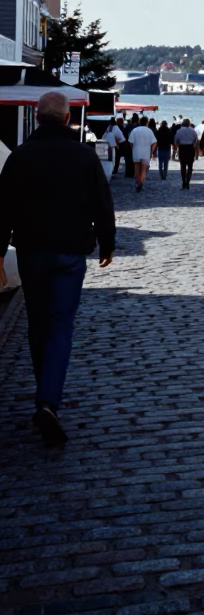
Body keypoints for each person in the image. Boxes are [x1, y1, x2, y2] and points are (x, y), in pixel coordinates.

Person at [0, 91, 115, 446]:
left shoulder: (20, 157)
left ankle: (44, 390)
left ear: (36, 117)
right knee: (61, 325)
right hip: (69, 253)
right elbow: (102, 202)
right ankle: (48, 400)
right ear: (68, 119)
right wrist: (107, 244)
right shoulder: (83, 156)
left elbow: (2, 209)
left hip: (32, 251)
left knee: (37, 323)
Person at [128, 116, 156, 192]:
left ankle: (137, 183)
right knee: (143, 170)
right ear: (147, 122)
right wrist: (151, 152)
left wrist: (133, 148)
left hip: (136, 152)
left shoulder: (135, 130)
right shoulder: (149, 131)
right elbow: (154, 142)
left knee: (137, 170)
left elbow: (130, 141)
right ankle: (140, 183)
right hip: (146, 153)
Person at [175, 118, 198, 189]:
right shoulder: (193, 131)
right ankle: (188, 181)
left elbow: (176, 141)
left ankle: (183, 181)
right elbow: (195, 141)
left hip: (182, 148)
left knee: (183, 166)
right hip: (190, 149)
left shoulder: (179, 131)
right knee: (190, 167)